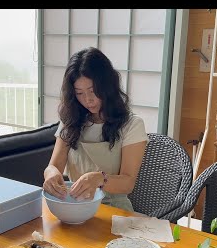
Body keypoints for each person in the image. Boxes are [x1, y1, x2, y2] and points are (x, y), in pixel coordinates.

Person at [43, 47, 148, 212]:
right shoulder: (70, 121)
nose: (88, 100)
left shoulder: (132, 125)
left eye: (93, 91)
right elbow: (53, 166)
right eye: (79, 93)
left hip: (114, 210)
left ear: (108, 86)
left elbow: (128, 183)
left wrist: (99, 178)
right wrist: (50, 175)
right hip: (74, 206)